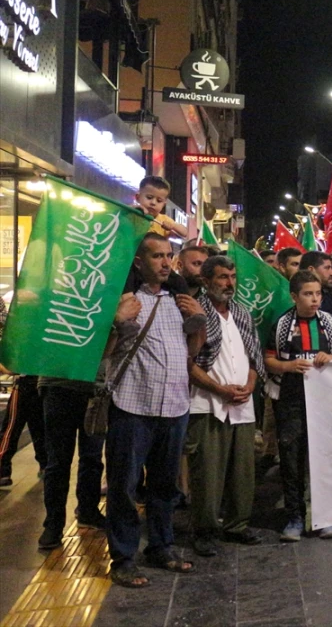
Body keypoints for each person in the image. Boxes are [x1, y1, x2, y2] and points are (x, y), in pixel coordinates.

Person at [106, 234, 206, 588]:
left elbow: (192, 352)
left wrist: (198, 321)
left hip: (174, 405)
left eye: (169, 256)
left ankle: (162, 546)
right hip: (133, 406)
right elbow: (103, 354)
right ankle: (123, 557)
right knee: (125, 486)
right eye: (157, 256)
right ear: (138, 262)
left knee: (164, 487)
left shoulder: (177, 301)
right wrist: (117, 321)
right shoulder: (125, 301)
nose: (166, 263)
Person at [265, 270, 332, 541]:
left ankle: (325, 516)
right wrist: (289, 366)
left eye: (318, 293)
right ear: (294, 296)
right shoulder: (281, 325)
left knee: (324, 458)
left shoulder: (329, 322)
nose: (315, 299)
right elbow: (268, 359)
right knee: (291, 460)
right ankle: (294, 517)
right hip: (291, 401)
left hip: (325, 403)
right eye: (308, 294)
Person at [187, 256, 266, 557]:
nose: (229, 283)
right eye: (222, 277)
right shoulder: (197, 315)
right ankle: (204, 531)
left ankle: (237, 526)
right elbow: (187, 363)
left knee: (243, 471)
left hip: (242, 404)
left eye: (232, 276)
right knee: (208, 473)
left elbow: (254, 355)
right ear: (206, 282)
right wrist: (220, 389)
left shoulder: (242, 314)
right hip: (207, 404)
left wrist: (249, 385)